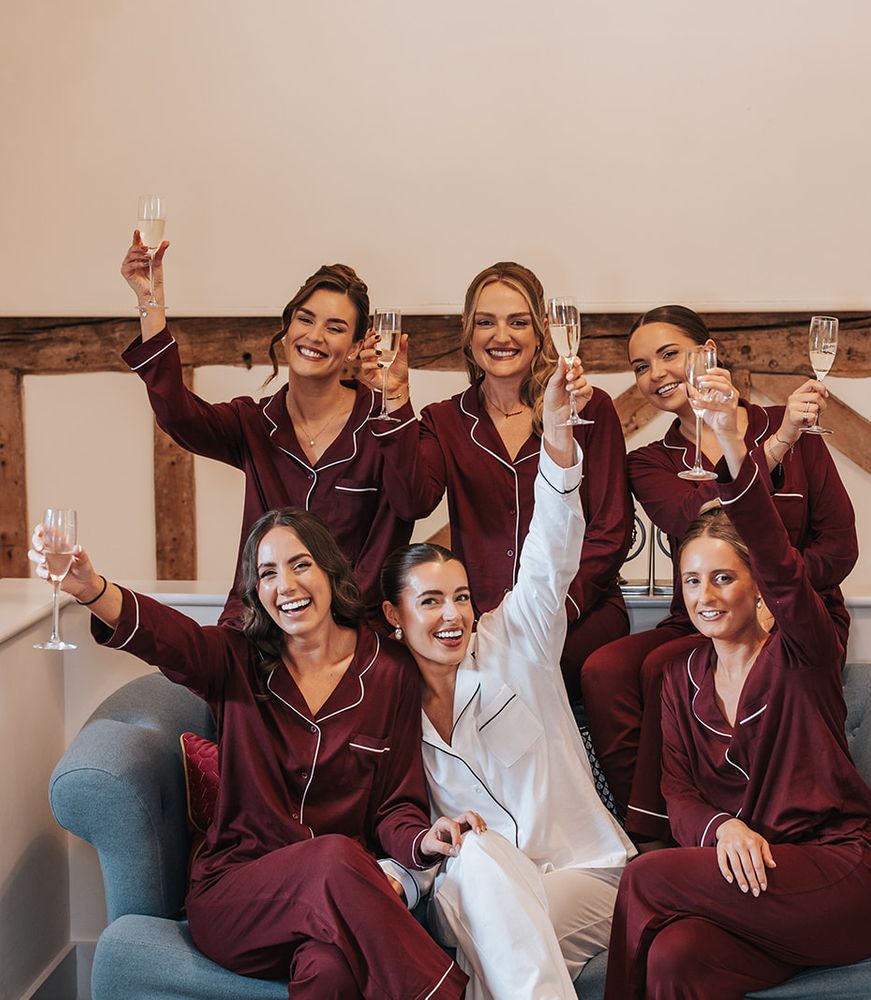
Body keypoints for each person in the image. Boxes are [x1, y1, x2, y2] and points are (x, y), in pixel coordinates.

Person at [31, 509, 470, 999]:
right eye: (267, 573)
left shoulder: (390, 674)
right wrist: (92, 590)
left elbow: (395, 803)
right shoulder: (234, 660)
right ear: (256, 591)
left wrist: (423, 840)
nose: (286, 585)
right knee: (332, 856)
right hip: (239, 896)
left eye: (300, 565)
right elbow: (170, 638)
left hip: (338, 901)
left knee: (330, 972)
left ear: (329, 570)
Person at [603, 376, 871, 1000]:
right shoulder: (680, 678)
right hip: (758, 882)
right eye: (690, 582)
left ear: (758, 585)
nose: (704, 597)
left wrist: (737, 452)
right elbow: (678, 794)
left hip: (840, 874)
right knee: (676, 957)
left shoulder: (802, 651)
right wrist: (721, 830)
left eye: (722, 579)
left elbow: (782, 560)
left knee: (646, 879)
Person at [379, 357, 635, 1000]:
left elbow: (551, 550)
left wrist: (556, 439)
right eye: (431, 601)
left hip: (585, 875)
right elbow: (394, 815)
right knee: (480, 861)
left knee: (497, 927)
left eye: (461, 597)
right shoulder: (384, 702)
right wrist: (397, 872)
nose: (453, 615)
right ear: (393, 615)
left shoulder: (517, 636)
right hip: (469, 884)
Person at [581, 305, 857, 835]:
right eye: (640, 366)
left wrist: (777, 593)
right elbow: (689, 514)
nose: (655, 374)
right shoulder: (652, 462)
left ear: (708, 354)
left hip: (798, 621)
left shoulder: (795, 423)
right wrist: (773, 450)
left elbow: (840, 547)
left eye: (669, 355)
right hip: (703, 616)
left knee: (662, 668)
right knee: (604, 670)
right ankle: (635, 820)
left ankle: (659, 834)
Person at [360, 261, 632, 697]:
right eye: (486, 322)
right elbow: (413, 502)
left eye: (517, 322)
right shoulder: (443, 420)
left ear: (541, 329)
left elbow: (611, 530)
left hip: (579, 610)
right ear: (467, 331)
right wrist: (394, 401)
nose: (501, 337)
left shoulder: (588, 408)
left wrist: (553, 607)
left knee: (536, 670)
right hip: (478, 618)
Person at [120, 234, 412, 625]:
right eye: (305, 319)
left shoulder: (385, 425)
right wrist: (149, 302)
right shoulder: (252, 424)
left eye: (335, 327)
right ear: (287, 327)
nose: (315, 336)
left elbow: (412, 503)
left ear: (358, 345)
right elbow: (178, 415)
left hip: (351, 639)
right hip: (259, 629)